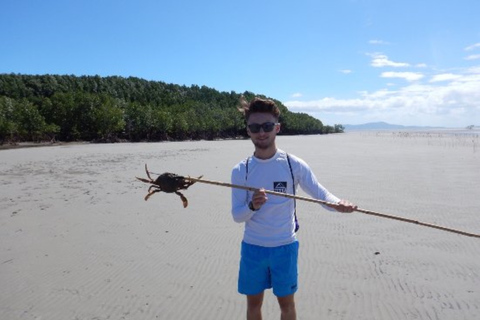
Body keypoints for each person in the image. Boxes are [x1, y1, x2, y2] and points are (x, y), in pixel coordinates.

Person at [231, 96, 357, 320]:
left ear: (277, 128)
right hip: (253, 248)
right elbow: (237, 216)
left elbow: (320, 194)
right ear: (248, 130)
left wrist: (340, 205)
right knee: (253, 307)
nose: (262, 132)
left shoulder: (293, 165)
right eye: (255, 127)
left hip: (285, 248)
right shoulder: (241, 170)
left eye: (267, 126)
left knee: (287, 306)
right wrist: (252, 205)